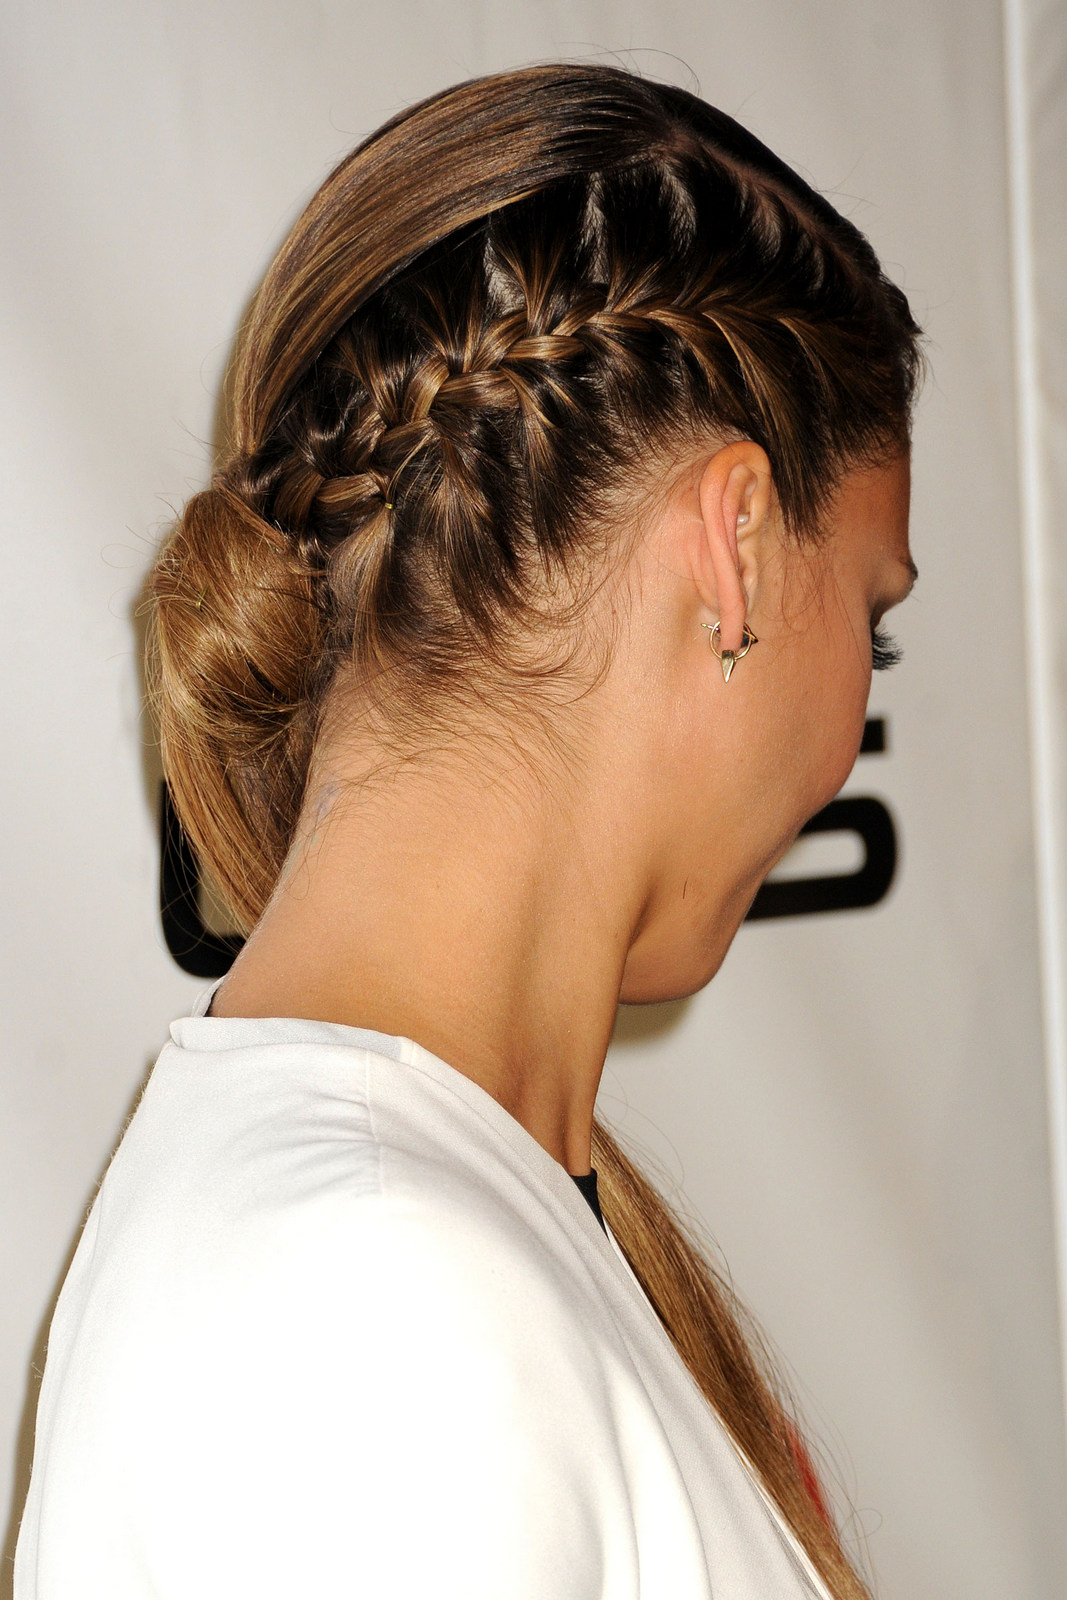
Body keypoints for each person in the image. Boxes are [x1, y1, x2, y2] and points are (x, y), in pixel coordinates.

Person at [14, 63, 920, 1600]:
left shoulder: (400, 1238)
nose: (854, 728)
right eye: (875, 625)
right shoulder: (379, 1301)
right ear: (739, 547)